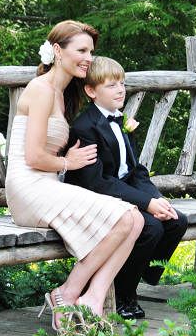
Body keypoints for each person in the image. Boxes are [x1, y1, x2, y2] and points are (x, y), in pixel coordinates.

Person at [4, 20, 145, 331]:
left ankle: (93, 298)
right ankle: (66, 293)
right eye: (81, 50)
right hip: (28, 188)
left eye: (91, 52)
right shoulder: (41, 90)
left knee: (135, 219)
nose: (88, 58)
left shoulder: (63, 93)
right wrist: (68, 162)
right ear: (58, 50)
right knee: (125, 218)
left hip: (47, 185)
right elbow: (33, 157)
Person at [64, 56, 188, 320]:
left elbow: (135, 170)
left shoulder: (122, 121)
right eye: (111, 85)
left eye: (122, 83)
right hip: (94, 198)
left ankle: (140, 272)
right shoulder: (85, 127)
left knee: (176, 220)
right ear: (91, 91)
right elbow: (96, 182)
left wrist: (155, 198)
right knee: (151, 227)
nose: (120, 90)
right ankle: (124, 295)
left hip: (121, 192)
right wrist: (146, 204)